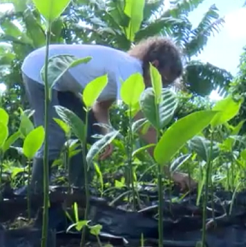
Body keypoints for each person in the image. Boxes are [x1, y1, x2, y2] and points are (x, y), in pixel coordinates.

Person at [16, 36, 197, 196]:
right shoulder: (130, 69)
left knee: (88, 132)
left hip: (62, 84)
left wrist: (106, 134)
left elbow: (101, 107)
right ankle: (34, 192)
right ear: (155, 65)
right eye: (163, 80)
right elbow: (144, 127)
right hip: (40, 69)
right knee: (54, 135)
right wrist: (171, 171)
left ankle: (79, 190)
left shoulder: (128, 72)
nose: (161, 87)